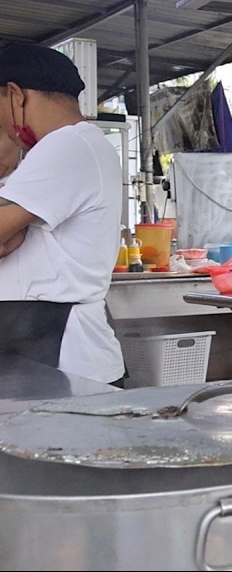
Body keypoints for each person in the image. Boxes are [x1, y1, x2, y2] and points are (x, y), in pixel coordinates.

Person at [0, 43, 125, 384]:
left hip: (64, 355)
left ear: (15, 95)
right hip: (36, 342)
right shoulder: (59, 149)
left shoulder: (70, 144)